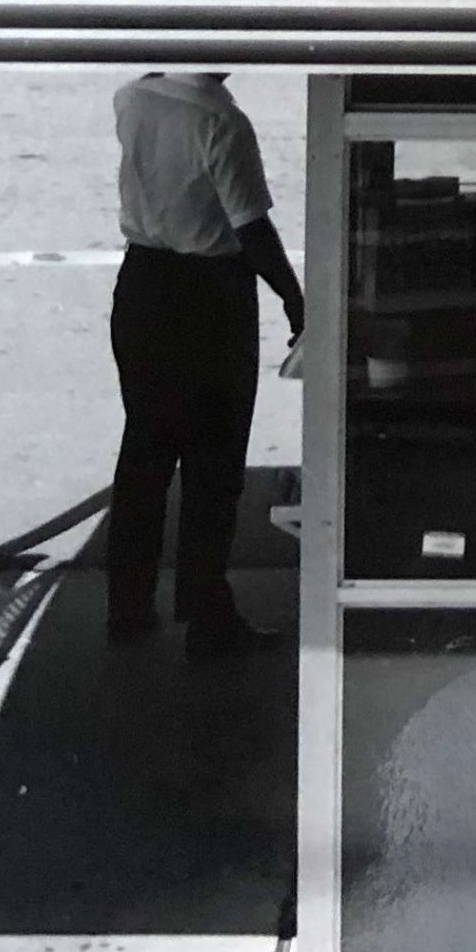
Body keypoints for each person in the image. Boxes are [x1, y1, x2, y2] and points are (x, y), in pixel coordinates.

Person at [108, 70, 304, 656]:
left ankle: (128, 606)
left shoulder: (133, 96)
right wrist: (294, 297)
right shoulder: (223, 124)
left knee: (144, 449)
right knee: (213, 463)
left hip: (142, 282)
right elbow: (251, 228)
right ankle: (206, 614)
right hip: (211, 294)